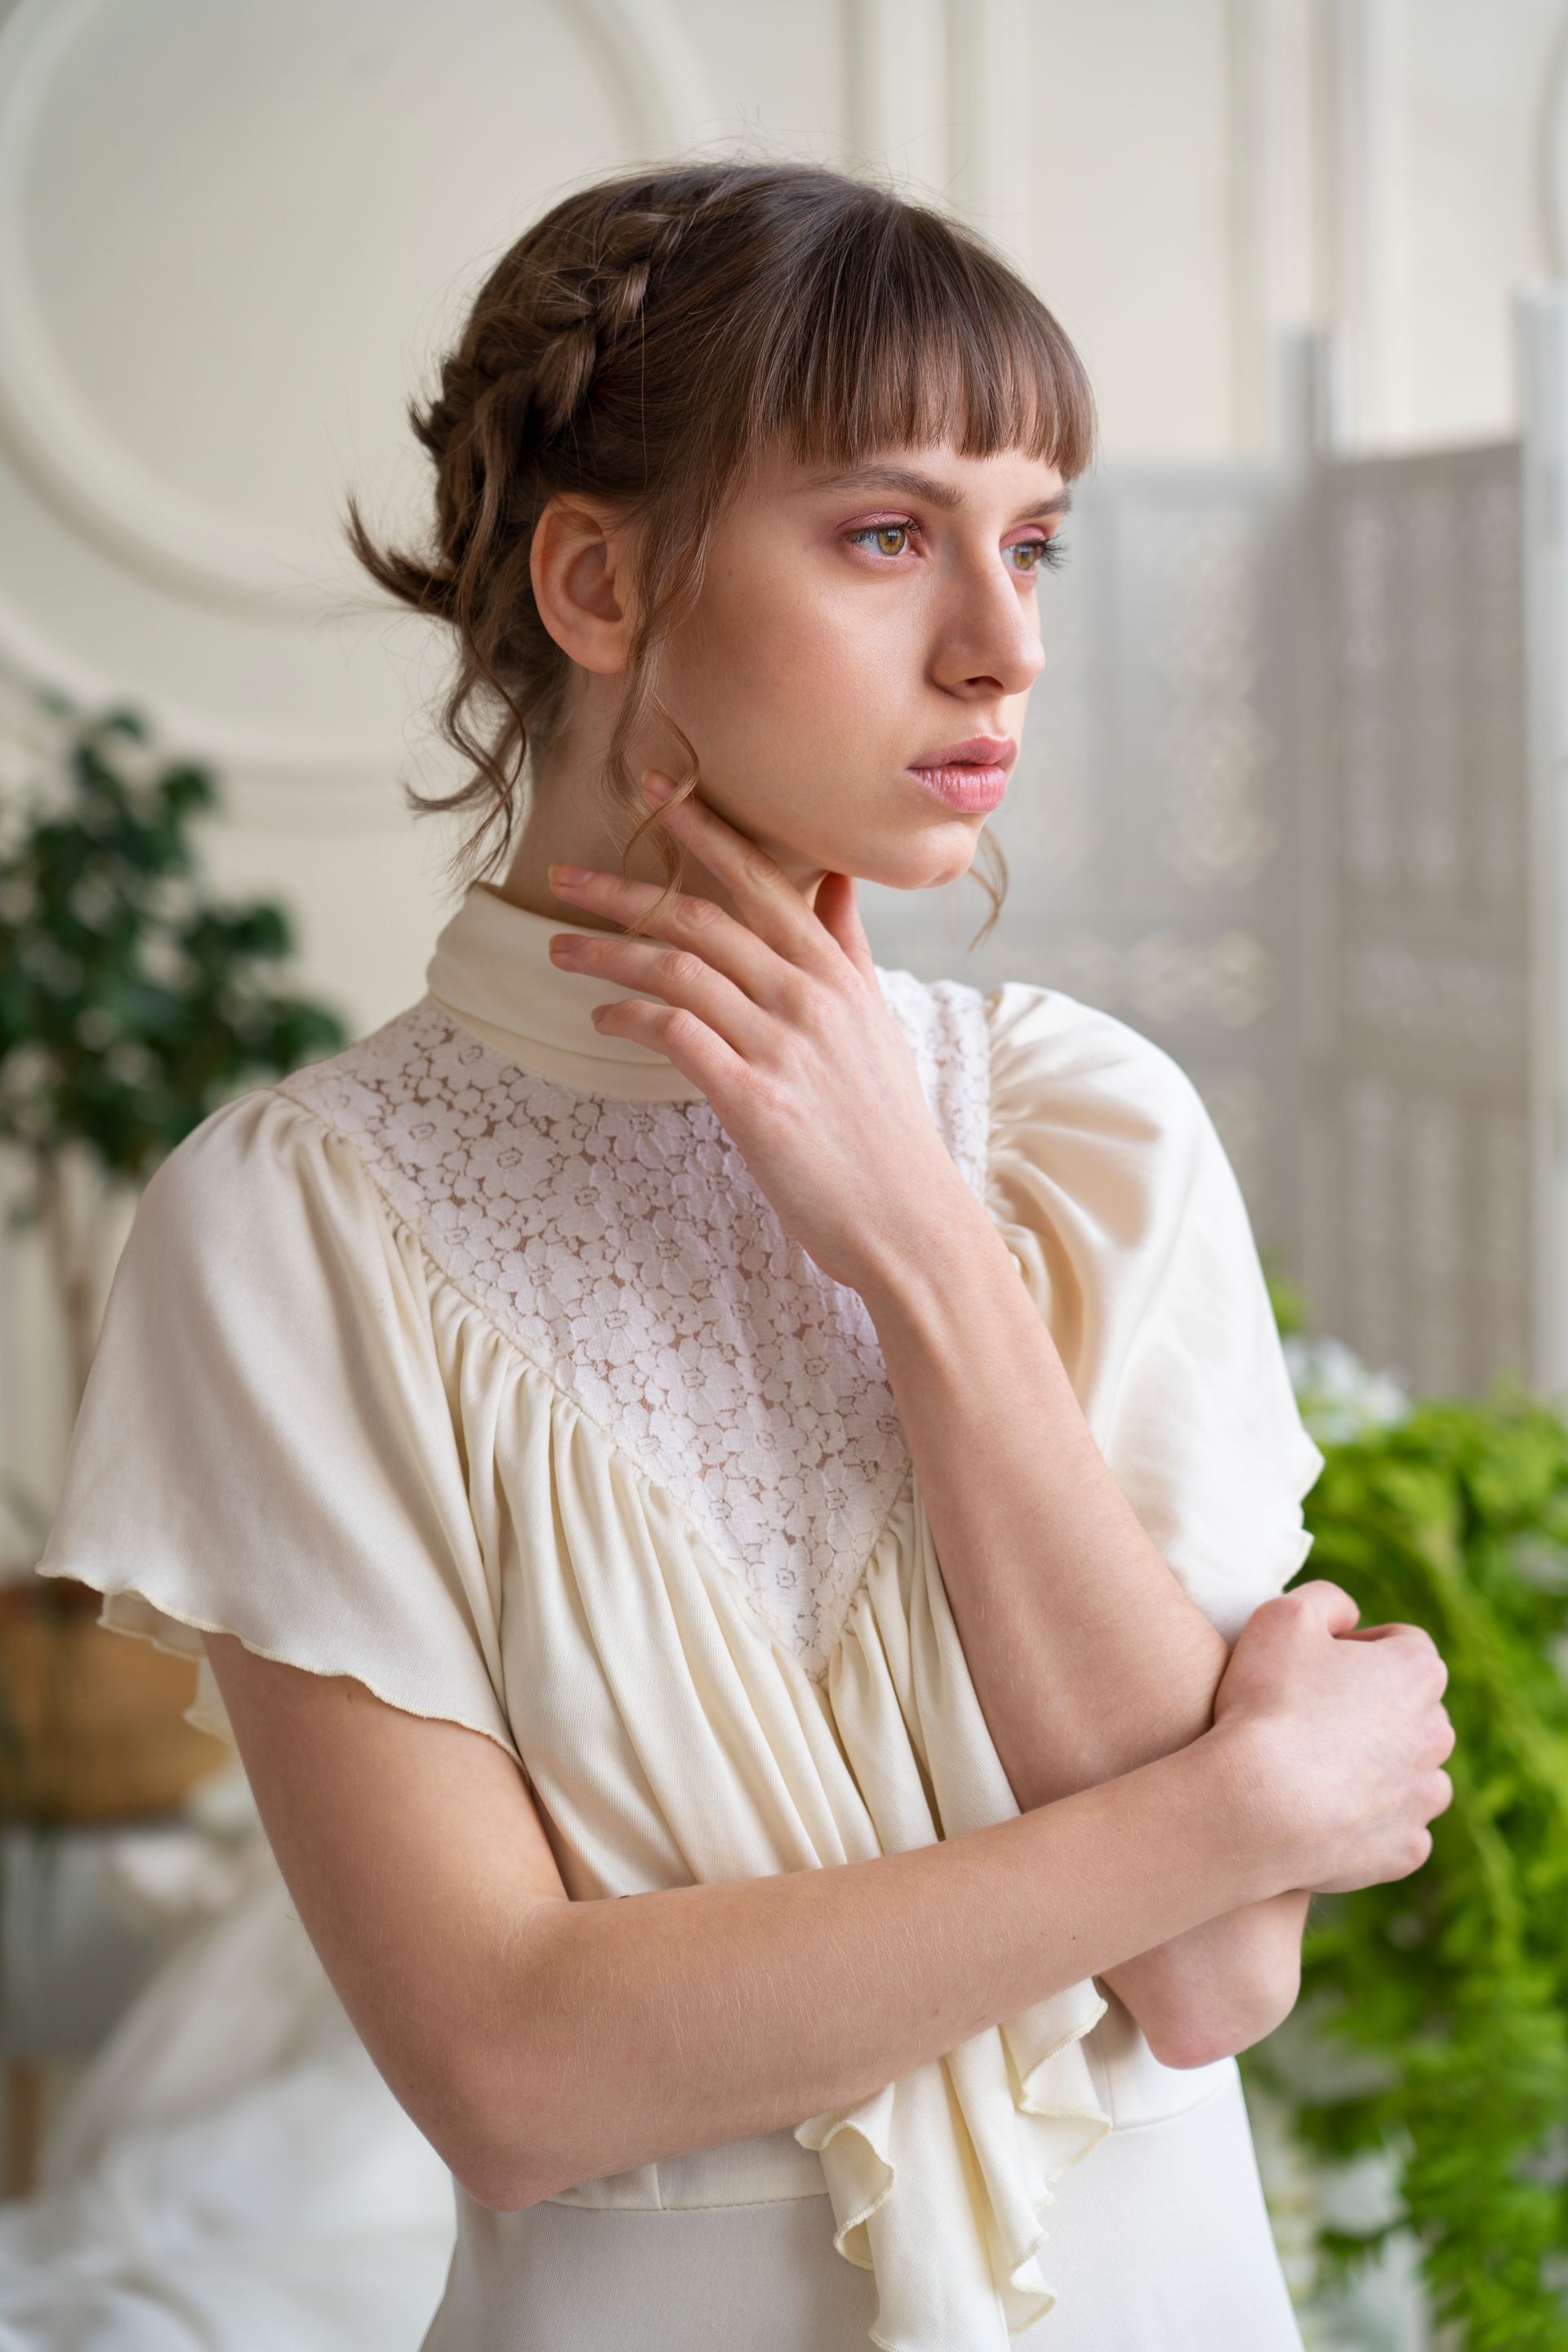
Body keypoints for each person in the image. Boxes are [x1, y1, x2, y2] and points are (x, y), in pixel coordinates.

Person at [35, 158, 1454, 2352]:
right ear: (597, 581)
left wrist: (925, 1253)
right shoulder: (292, 1227)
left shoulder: (1086, 1137)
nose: (1011, 640)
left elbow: (1209, 1987)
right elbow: (514, 2075)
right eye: (890, 533)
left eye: (1035, 536)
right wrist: (1249, 1797)